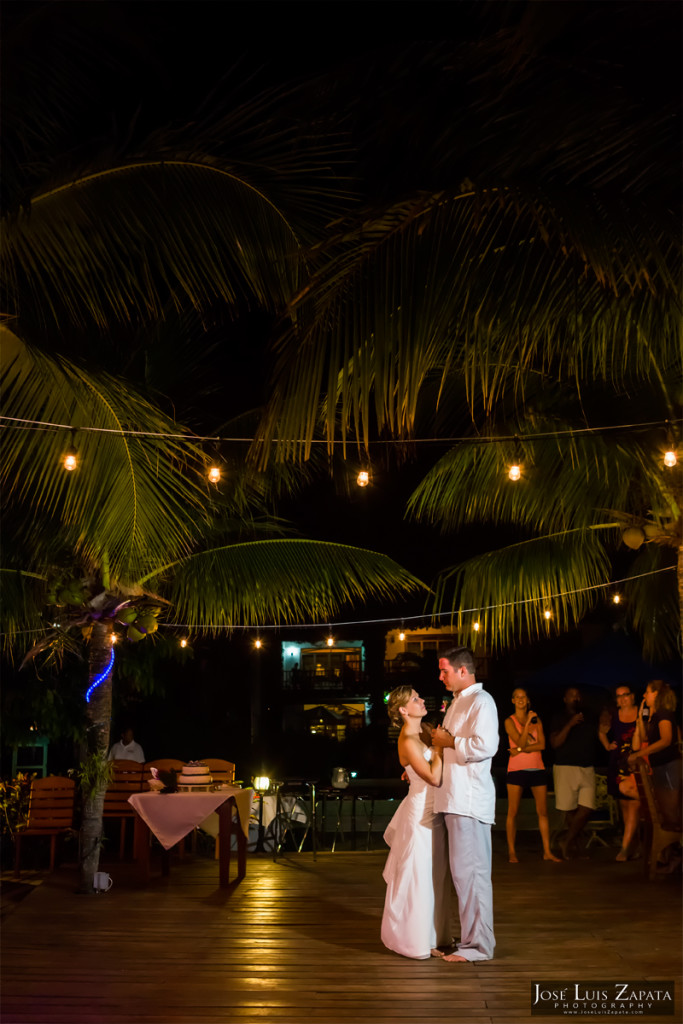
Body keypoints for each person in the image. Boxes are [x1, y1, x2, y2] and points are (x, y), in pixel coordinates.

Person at [431, 646, 499, 963]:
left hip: (469, 801)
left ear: (462, 670)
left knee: (472, 875)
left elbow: (487, 745)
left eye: (444, 670)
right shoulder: (459, 702)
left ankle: (479, 947)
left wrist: (449, 741)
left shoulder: (482, 702)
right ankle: (469, 940)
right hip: (454, 799)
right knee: (461, 876)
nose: (440, 675)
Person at [381, 686, 451, 960]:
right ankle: (416, 939)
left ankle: (436, 934)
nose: (422, 700)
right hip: (419, 814)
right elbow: (433, 778)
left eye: (420, 697)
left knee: (436, 875)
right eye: (415, 699)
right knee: (418, 876)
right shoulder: (408, 739)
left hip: (435, 812)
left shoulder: (423, 730)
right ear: (402, 710)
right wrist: (439, 748)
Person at [504, 688, 561, 863]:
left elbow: (542, 745)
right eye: (517, 697)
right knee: (513, 811)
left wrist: (518, 750)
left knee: (542, 811)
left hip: (537, 768)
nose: (521, 700)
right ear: (513, 700)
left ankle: (547, 851)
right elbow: (521, 739)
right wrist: (527, 725)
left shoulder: (537, 720)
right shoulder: (509, 721)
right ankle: (512, 852)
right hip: (516, 769)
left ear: (528, 700)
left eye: (524, 697)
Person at [549, 686, 598, 860]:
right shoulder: (559, 717)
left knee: (587, 807)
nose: (575, 698)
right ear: (565, 699)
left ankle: (566, 841)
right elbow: (555, 743)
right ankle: (575, 846)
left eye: (578, 695)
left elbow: (599, 736)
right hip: (565, 767)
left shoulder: (590, 717)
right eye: (572, 696)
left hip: (587, 767)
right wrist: (570, 724)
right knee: (569, 809)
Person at [628, 679, 682, 831]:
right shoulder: (656, 715)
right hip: (660, 766)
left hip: (668, 766)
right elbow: (645, 738)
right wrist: (640, 717)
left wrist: (640, 753)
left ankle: (676, 848)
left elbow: (666, 740)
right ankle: (670, 850)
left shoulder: (664, 713)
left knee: (671, 811)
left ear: (656, 693)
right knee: (665, 811)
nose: (644, 695)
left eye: (647, 691)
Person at [598, 685, 640, 861]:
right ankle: (633, 846)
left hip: (638, 760)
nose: (622, 698)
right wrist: (607, 745)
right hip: (618, 762)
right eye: (619, 696)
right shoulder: (613, 714)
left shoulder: (641, 711)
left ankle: (624, 848)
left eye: (626, 695)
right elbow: (601, 731)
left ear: (632, 696)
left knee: (635, 805)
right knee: (625, 807)